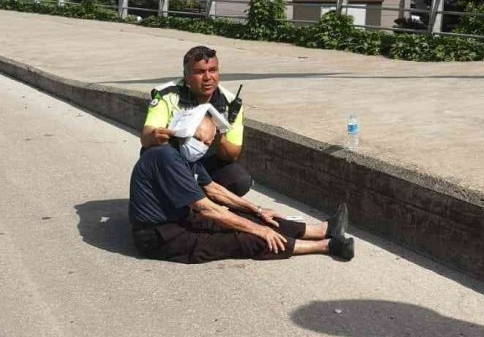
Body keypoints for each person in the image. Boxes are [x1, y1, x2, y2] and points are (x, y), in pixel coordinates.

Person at [129, 104, 354, 265]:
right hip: (158, 235)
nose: (202, 146)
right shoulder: (166, 157)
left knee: (253, 218)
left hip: (180, 218)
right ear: (183, 132)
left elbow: (214, 189)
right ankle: (327, 246)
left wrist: (256, 211)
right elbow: (206, 207)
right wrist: (260, 230)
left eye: (207, 143)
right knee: (246, 237)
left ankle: (324, 230)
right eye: (198, 139)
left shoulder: (184, 156)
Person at [141, 45, 252, 196]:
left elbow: (232, 154)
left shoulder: (231, 103)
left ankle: (206, 208)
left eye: (212, 70)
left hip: (206, 160)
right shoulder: (167, 95)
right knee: (151, 151)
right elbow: (146, 137)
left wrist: (217, 134)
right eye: (199, 72)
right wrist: (156, 135)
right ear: (186, 76)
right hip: (172, 159)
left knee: (240, 180)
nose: (208, 77)